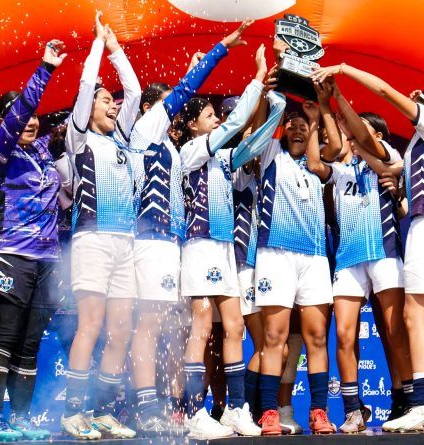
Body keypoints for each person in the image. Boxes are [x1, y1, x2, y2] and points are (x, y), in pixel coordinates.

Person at [313, 64, 424, 432]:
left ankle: (422, 404)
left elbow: (384, 91)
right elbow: (373, 155)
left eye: (420, 101)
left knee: (413, 318)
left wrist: (343, 69)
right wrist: (337, 106)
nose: (413, 103)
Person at [126, 21, 250, 436]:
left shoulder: (170, 146)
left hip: (174, 242)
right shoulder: (146, 131)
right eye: (167, 104)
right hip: (152, 239)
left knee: (174, 329)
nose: (175, 109)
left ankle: (175, 408)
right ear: (150, 108)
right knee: (150, 323)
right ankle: (148, 407)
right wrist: (220, 49)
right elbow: (184, 92)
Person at [174, 45, 285, 439]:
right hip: (199, 245)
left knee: (235, 326)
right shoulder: (191, 151)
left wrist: (275, 103)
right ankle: (192, 411)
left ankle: (235, 409)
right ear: (192, 126)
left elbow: (254, 143)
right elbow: (236, 123)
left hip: (224, 249)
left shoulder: (222, 159)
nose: (217, 120)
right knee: (202, 326)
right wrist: (256, 77)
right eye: (209, 116)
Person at [0, 40, 68, 442]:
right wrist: (45, 69)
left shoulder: (46, 150)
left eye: (34, 116)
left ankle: (21, 419)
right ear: (6, 122)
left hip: (47, 260)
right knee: (6, 337)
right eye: (21, 116)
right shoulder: (0, 151)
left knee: (29, 344)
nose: (30, 122)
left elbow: (81, 120)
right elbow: (20, 114)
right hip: (10, 253)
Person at [61, 11, 142, 440]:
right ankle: (73, 412)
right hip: (91, 239)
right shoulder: (79, 137)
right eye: (105, 100)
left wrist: (115, 48)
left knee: (121, 330)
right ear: (87, 107)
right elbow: (84, 87)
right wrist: (96, 45)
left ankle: (105, 413)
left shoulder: (121, 139)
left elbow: (136, 91)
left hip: (126, 243)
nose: (113, 105)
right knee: (90, 326)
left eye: (114, 101)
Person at [321, 80, 409, 433]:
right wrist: (324, 109)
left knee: (395, 330)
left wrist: (339, 101)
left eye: (358, 131)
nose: (350, 135)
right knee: (344, 335)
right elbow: (320, 160)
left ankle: (408, 401)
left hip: (384, 251)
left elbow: (363, 137)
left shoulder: (387, 158)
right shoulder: (339, 170)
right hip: (349, 258)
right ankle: (354, 410)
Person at [253, 101, 336, 436]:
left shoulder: (319, 162)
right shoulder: (271, 154)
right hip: (276, 253)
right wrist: (269, 95)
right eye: (293, 126)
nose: (298, 130)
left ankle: (319, 412)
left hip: (314, 256)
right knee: (275, 336)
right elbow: (261, 127)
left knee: (317, 337)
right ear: (283, 132)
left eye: (304, 127)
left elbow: (336, 144)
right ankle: (269, 412)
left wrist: (317, 117)